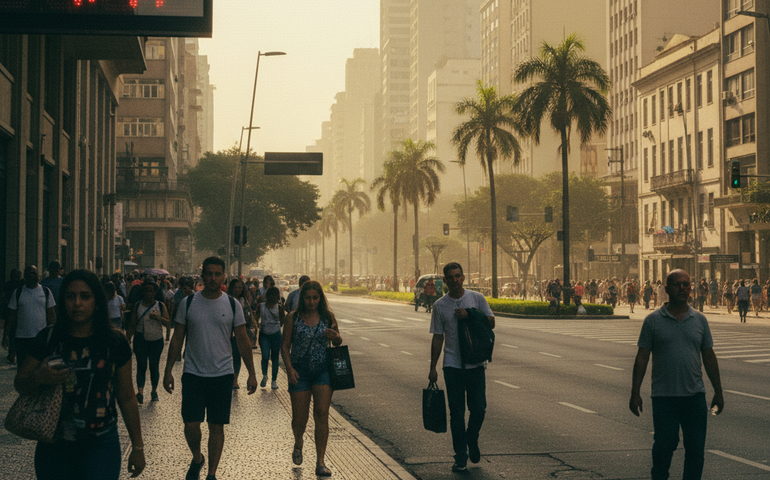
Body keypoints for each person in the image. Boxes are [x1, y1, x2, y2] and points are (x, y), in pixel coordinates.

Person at [14, 269, 145, 479]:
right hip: (54, 446)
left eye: (85, 296)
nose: (77, 303)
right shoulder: (49, 338)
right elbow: (20, 383)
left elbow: (127, 396)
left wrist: (137, 448)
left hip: (101, 444)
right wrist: (38, 377)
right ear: (62, 300)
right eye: (70, 296)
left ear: (96, 301)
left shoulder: (114, 342)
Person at [163, 257, 257, 480]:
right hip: (193, 373)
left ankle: (212, 473)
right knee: (191, 424)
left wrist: (252, 373)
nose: (213, 278)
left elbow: (243, 340)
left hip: (222, 375)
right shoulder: (188, 303)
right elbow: (177, 337)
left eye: (217, 274)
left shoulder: (233, 305)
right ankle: (197, 457)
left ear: (224, 276)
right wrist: (167, 369)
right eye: (209, 274)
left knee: (217, 426)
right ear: (202, 275)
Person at [629, 269, 724, 480]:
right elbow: (642, 357)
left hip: (695, 397)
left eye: (686, 284)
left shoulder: (699, 320)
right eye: (677, 284)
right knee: (665, 444)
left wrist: (718, 391)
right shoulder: (653, 321)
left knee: (696, 450)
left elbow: (708, 356)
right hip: (664, 397)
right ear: (667, 288)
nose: (682, 289)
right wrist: (635, 392)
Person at [429, 262, 495, 473]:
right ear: (445, 280)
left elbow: (491, 322)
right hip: (452, 365)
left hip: (475, 363)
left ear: (463, 277)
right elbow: (438, 337)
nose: (455, 280)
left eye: (458, 276)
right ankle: (460, 456)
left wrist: (470, 314)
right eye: (451, 277)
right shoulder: (440, 305)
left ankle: (471, 438)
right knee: (456, 413)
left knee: (479, 408)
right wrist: (433, 367)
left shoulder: (476, 298)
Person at [281, 280, 342, 477]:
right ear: (302, 298)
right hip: (300, 372)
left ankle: (321, 461)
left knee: (322, 414)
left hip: (323, 371)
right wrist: (289, 368)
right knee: (300, 419)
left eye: (315, 298)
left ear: (320, 298)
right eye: (307, 298)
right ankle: (298, 441)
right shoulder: (293, 318)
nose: (311, 301)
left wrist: (335, 337)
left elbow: (339, 340)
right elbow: (285, 346)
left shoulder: (327, 317)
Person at [4, 265, 56, 367]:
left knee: (40, 367)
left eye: (34, 273)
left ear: (38, 275)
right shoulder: (18, 292)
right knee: (23, 367)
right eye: (29, 273)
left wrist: (55, 336)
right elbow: (11, 316)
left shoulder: (46, 291)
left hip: (40, 339)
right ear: (25, 276)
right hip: (22, 338)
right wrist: (5, 334)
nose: (32, 275)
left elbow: (52, 316)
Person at [127, 279, 170, 404]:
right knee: (141, 366)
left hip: (156, 340)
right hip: (140, 339)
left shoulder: (160, 305)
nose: (148, 293)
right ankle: (140, 392)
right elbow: (133, 323)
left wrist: (158, 318)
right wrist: (128, 338)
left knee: (153, 366)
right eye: (146, 290)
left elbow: (168, 323)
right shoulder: (137, 306)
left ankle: (154, 390)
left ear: (155, 292)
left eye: (151, 291)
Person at [226, 278, 257, 389]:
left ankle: (235, 379)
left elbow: (249, 315)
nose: (238, 289)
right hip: (227, 333)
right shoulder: (227, 300)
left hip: (240, 333)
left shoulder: (244, 301)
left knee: (237, 356)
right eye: (236, 287)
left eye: (240, 287)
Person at [257, 286, 285, 390]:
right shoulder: (261, 306)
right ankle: (265, 375)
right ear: (267, 296)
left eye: (275, 295)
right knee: (265, 356)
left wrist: (277, 327)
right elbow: (256, 317)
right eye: (271, 295)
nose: (273, 297)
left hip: (276, 335)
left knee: (275, 358)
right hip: (264, 334)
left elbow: (282, 319)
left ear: (278, 297)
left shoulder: (279, 308)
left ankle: (274, 380)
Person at [2, 268, 24, 364]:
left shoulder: (7, 284)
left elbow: (3, 297)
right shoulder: (21, 285)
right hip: (17, 312)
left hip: (10, 311)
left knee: (12, 333)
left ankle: (12, 353)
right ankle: (14, 353)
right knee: (16, 333)